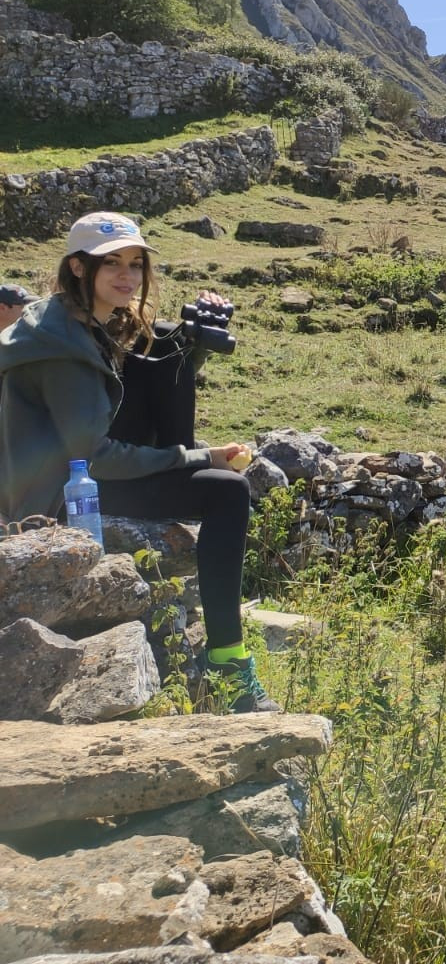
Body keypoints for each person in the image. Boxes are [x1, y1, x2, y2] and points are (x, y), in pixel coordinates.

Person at [0, 212, 278, 712]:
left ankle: (225, 660)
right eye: (112, 264)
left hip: (75, 470)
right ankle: (229, 668)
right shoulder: (60, 350)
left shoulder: (78, 321)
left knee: (171, 338)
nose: (127, 276)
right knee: (226, 490)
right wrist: (199, 456)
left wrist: (194, 348)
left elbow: (147, 371)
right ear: (79, 268)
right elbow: (94, 457)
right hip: (59, 495)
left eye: (135, 263)